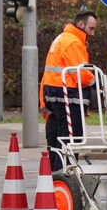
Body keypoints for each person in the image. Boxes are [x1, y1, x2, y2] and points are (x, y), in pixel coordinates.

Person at [40, 11, 98, 171]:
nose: (92, 33)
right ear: (81, 25)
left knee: (57, 138)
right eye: (91, 28)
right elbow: (81, 73)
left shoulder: (61, 38)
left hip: (53, 95)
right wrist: (99, 83)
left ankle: (54, 176)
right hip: (68, 96)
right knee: (71, 139)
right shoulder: (73, 42)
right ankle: (65, 177)